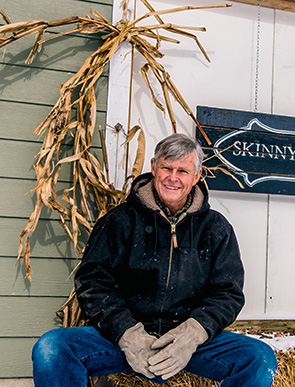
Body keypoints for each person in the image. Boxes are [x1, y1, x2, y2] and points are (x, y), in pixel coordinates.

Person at [32, 133, 277, 386]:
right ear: (153, 167)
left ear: (196, 177)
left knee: (259, 358)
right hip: (126, 339)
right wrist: (128, 335)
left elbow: (228, 293)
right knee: (52, 348)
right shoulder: (120, 221)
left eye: (183, 171)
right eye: (166, 168)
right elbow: (93, 282)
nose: (173, 177)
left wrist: (193, 333)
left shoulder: (215, 228)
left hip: (185, 343)